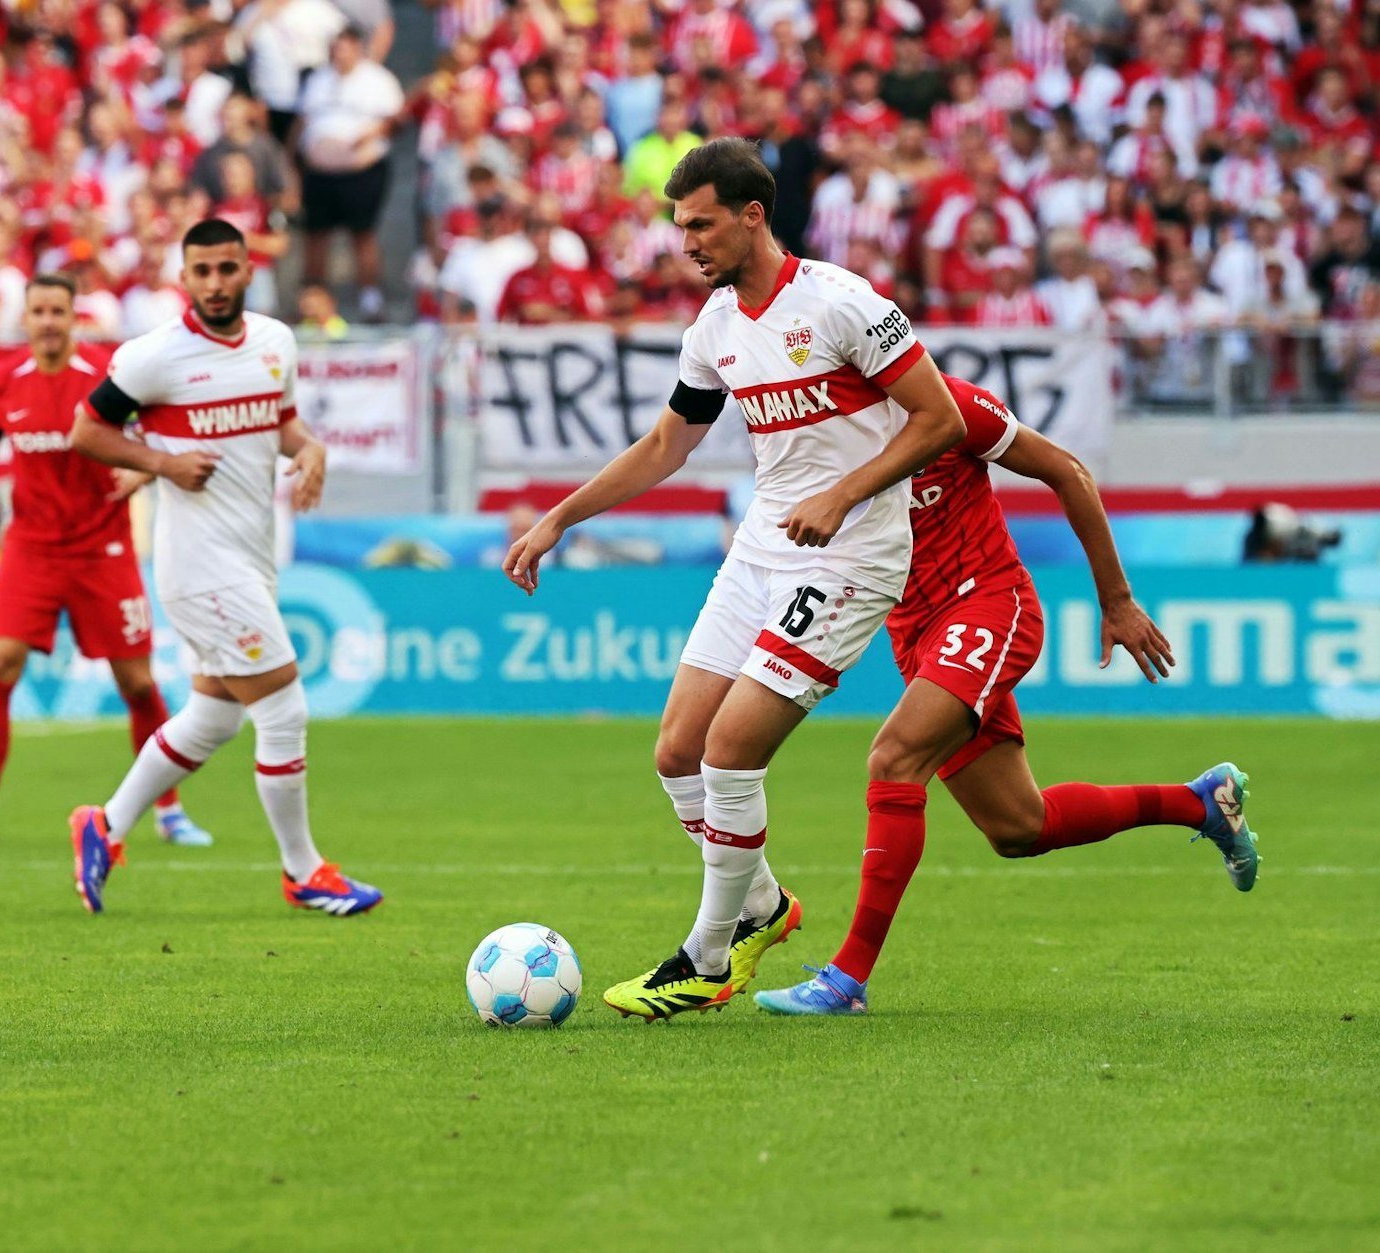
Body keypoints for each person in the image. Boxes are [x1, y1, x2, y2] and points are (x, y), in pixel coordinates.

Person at [503, 138, 966, 1019]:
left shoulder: (843, 305)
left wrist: (844, 492)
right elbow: (666, 446)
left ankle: (707, 958)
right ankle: (761, 906)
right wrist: (560, 516)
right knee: (678, 749)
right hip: (763, 547)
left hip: (852, 552)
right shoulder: (713, 327)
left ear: (753, 215)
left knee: (730, 751)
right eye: (681, 226)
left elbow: (936, 418)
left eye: (702, 223)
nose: (688, 241)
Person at [754, 374, 1261, 1015]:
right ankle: (1200, 804)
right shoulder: (820, 432)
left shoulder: (946, 405)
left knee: (894, 758)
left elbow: (1068, 471)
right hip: (913, 631)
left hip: (989, 603)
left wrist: (1117, 599)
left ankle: (844, 980)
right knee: (1020, 827)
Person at [65, 218, 383, 918]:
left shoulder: (275, 342)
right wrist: (162, 463)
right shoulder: (154, 358)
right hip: (199, 565)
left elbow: (281, 424)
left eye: (226, 269)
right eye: (200, 271)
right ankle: (304, 871)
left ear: (247, 270)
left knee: (212, 716)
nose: (214, 283)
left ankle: (105, 824)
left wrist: (312, 449)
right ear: (184, 276)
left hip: (250, 556)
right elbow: (87, 430)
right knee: (284, 706)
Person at [0, 271, 212, 846]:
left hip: (103, 547)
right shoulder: (6, 381)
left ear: (74, 317)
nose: (48, 321)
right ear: (25, 319)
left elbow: (159, 433)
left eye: (57, 311)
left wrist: (140, 469)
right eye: (38, 311)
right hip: (31, 548)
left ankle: (169, 809)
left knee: (139, 683)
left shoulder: (106, 374)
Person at [296, 25, 404, 321]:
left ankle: (370, 299)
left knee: (362, 234)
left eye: (345, 46)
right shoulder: (317, 80)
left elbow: (396, 120)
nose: (340, 53)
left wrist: (369, 136)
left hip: (362, 169)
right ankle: (312, 301)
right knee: (316, 235)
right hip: (319, 171)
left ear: (358, 47)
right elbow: (303, 122)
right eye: (336, 46)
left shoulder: (378, 80)